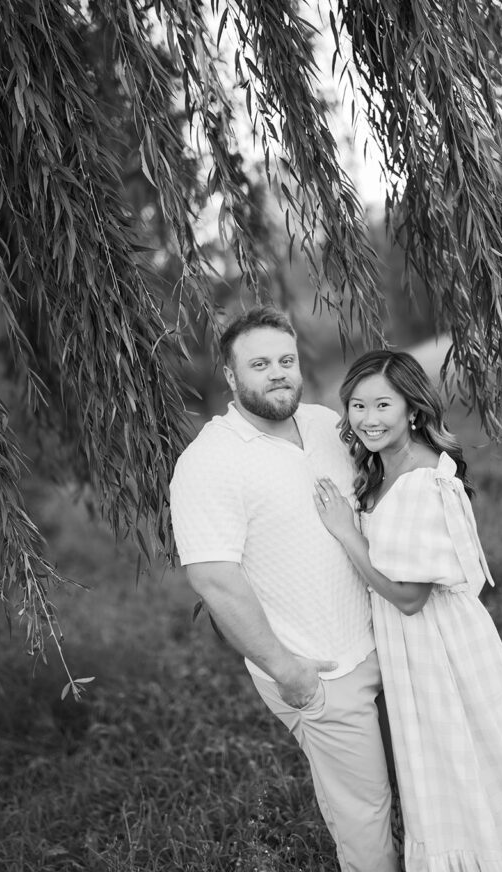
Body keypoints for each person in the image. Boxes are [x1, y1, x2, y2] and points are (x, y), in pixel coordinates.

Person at [314, 349, 502, 872]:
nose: (368, 418)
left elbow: (410, 598)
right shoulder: (381, 471)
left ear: (413, 409)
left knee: (461, 759)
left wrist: (345, 532)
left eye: (383, 404)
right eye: (357, 406)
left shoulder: (422, 480)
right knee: (443, 766)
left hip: (439, 645)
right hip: (413, 648)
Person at [169, 307, 398, 872]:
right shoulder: (209, 462)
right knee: (365, 811)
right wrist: (286, 668)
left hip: (388, 641)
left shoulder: (326, 425)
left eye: (286, 360)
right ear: (231, 376)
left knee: (416, 783)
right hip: (320, 667)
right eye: (260, 363)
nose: (277, 373)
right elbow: (214, 580)